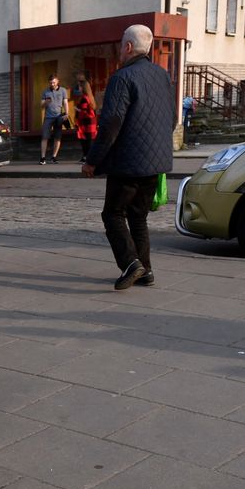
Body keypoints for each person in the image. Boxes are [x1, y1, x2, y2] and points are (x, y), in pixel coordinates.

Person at [82, 24, 174, 290]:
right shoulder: (161, 75)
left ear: (129, 47)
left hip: (128, 162)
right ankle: (146, 271)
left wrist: (92, 160)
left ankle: (131, 263)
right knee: (138, 217)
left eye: (121, 44)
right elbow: (171, 119)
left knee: (113, 214)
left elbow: (111, 123)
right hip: (155, 163)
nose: (119, 50)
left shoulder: (122, 78)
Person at [39, 75, 68, 165]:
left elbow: (65, 102)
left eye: (54, 82)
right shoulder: (45, 91)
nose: (52, 84)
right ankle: (43, 158)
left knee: (57, 137)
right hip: (48, 117)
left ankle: (54, 157)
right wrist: (46, 102)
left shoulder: (63, 90)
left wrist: (67, 113)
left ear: (57, 81)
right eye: (51, 82)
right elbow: (41, 105)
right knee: (44, 137)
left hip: (59, 117)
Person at [73, 77, 98, 163]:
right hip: (91, 121)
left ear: (83, 87)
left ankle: (87, 157)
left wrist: (76, 109)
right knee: (88, 140)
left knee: (86, 140)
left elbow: (83, 111)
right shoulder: (90, 96)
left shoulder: (84, 97)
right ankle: (86, 156)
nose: (78, 88)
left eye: (79, 86)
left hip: (86, 122)